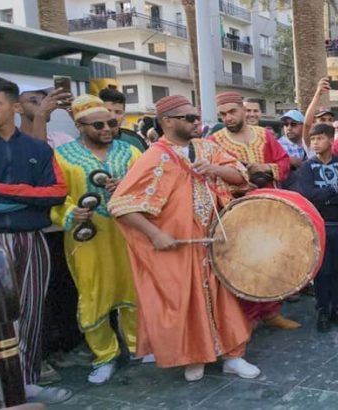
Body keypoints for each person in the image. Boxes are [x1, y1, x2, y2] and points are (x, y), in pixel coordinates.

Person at [109, 95, 260, 381]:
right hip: (179, 249)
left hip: (214, 243)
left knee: (224, 300)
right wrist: (155, 235)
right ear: (168, 121)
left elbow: (240, 174)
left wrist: (215, 169)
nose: (196, 123)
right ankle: (195, 357)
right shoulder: (154, 157)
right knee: (187, 304)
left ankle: (233, 356)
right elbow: (120, 205)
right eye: (189, 118)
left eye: (197, 117)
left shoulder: (206, 147)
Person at [0, 76, 70, 404]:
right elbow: (41, 196)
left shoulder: (37, 148)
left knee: (31, 312)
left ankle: (27, 381)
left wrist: (0, 190)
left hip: (32, 239)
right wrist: (29, 198)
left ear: (15, 107)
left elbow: (57, 193)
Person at [50, 94, 141, 384]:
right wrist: (70, 213)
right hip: (87, 238)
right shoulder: (62, 156)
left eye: (112, 123)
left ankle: (139, 346)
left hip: (128, 233)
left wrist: (126, 187)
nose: (107, 129)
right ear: (80, 126)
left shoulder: (130, 152)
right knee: (93, 294)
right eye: (98, 125)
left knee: (135, 289)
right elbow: (54, 196)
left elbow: (149, 186)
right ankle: (105, 356)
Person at [209, 91, 300, 329]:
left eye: (232, 112)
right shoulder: (214, 141)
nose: (228, 118)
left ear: (243, 109)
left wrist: (265, 168)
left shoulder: (264, 135)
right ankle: (245, 319)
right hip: (237, 213)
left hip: (269, 208)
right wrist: (238, 184)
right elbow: (212, 179)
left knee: (271, 258)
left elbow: (284, 163)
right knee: (243, 264)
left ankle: (271, 313)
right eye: (223, 114)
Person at [295, 123, 338, 332]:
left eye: (319, 138)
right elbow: (309, 195)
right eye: (312, 139)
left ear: (331, 139)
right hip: (319, 226)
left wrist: (328, 197)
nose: (315, 143)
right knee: (322, 271)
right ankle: (322, 310)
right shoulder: (306, 167)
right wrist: (335, 190)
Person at [99, 88, 148, 152]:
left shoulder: (135, 141)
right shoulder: (88, 141)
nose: (113, 117)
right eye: (108, 111)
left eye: (118, 112)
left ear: (124, 115)